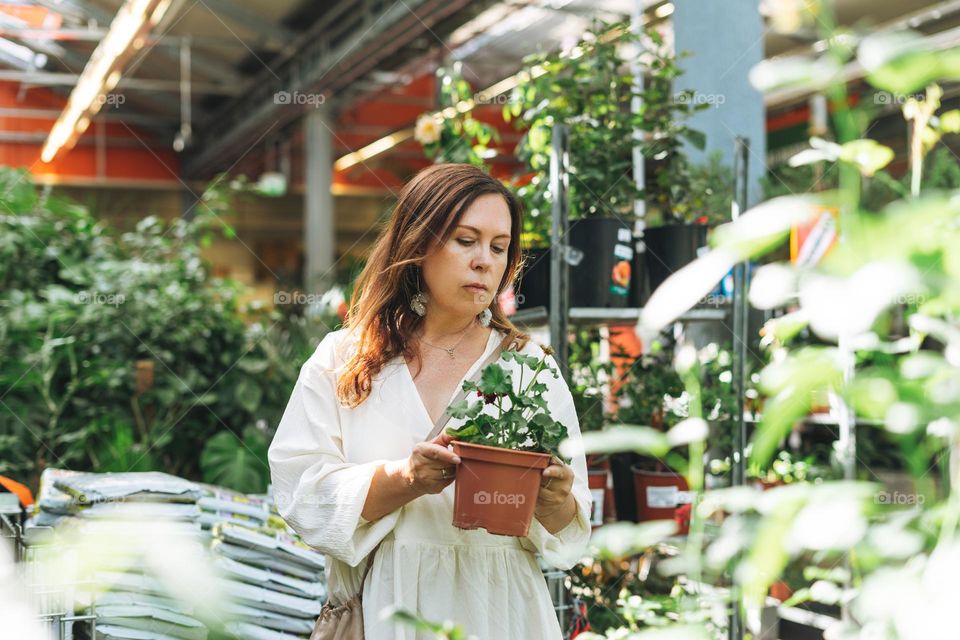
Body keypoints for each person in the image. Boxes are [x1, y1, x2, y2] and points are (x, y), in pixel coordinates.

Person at [268, 164, 592, 639]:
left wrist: (555, 499)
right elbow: (302, 494)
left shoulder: (529, 366)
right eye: (466, 240)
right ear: (419, 244)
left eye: (499, 248)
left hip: (501, 611)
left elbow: (569, 531)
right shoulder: (346, 357)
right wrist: (405, 479)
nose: (485, 260)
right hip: (386, 609)